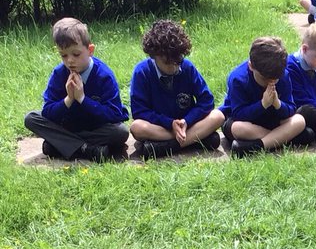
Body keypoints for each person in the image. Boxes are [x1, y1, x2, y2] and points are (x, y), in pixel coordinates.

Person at [24, 17, 129, 162]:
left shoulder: (104, 75)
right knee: (31, 118)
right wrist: (68, 99)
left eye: (76, 54)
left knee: (121, 132)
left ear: (90, 50)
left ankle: (61, 145)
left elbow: (115, 114)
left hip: (95, 128)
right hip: (68, 126)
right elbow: (47, 111)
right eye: (64, 55)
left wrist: (82, 99)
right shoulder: (59, 73)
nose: (70, 60)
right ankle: (86, 149)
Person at [129, 20, 225, 158]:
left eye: (178, 61)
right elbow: (139, 111)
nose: (174, 67)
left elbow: (207, 101)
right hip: (161, 126)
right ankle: (194, 140)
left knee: (218, 116)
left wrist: (187, 121)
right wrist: (169, 124)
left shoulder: (187, 67)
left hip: (188, 124)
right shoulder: (142, 72)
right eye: (167, 63)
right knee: (137, 128)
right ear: (154, 56)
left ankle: (168, 146)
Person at [220, 36, 307, 156]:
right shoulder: (238, 79)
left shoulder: (284, 75)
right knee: (238, 128)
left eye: (275, 80)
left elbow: (291, 109)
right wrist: (262, 104)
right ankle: (281, 138)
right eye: (264, 79)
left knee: (299, 121)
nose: (270, 83)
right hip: (247, 124)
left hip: (272, 120)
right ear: (251, 66)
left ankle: (257, 146)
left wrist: (277, 103)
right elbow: (238, 114)